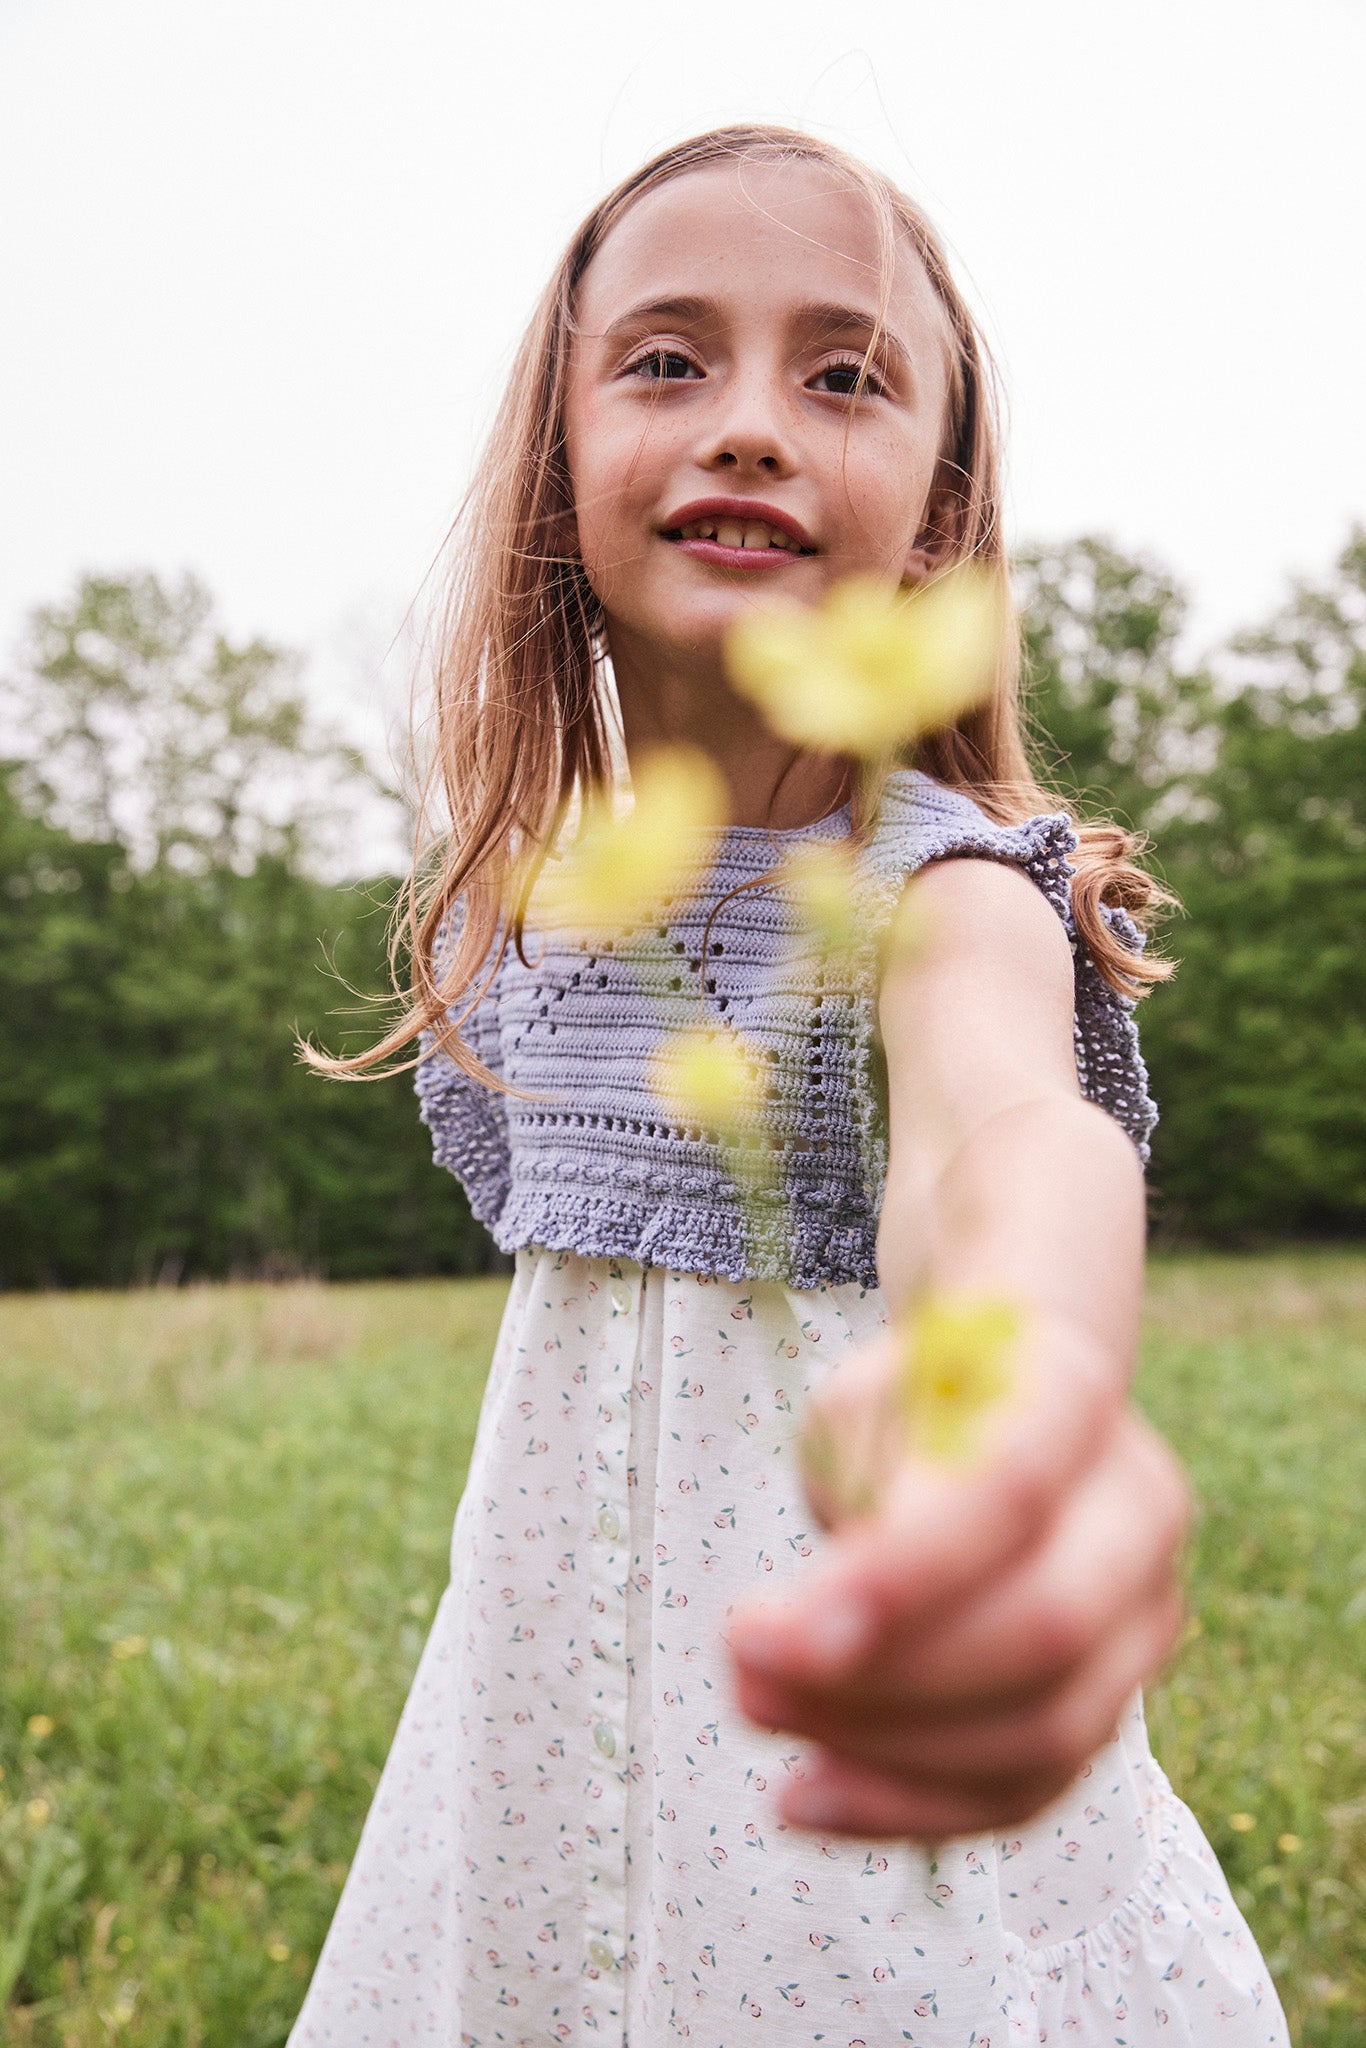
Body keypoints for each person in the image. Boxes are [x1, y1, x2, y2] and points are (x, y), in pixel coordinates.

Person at [291, 126, 1288, 2046]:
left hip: (842, 1806)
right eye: (667, 360)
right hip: (545, 1751)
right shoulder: (532, 912)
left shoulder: (936, 895)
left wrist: (1024, 1417)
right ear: (557, 463)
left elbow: (1009, 1145)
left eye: (842, 375)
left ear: (933, 510)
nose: (751, 423)